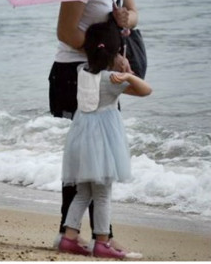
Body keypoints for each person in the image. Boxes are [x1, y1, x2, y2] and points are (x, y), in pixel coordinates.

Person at [48, 0, 141, 256]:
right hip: (78, 71)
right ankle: (92, 237)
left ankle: (77, 235)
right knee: (90, 157)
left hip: (101, 68)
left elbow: (134, 14)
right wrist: (108, 57)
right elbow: (65, 32)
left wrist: (128, 17)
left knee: (96, 157)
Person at [58, 21, 152, 258]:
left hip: (80, 140)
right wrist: (128, 74)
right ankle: (102, 242)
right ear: (116, 52)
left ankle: (69, 237)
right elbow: (146, 90)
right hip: (102, 146)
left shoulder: (81, 72)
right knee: (102, 194)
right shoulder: (112, 80)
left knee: (83, 193)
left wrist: (116, 63)